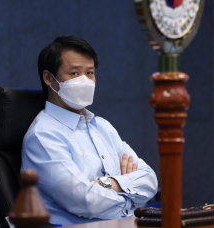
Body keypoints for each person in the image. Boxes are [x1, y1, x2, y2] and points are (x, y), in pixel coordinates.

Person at [21, 36, 158, 226]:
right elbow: (86, 201)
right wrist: (130, 194)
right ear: (48, 78)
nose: (85, 80)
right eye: (75, 73)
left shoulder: (102, 126)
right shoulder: (43, 136)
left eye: (90, 73)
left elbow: (150, 179)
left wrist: (107, 183)